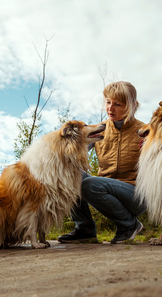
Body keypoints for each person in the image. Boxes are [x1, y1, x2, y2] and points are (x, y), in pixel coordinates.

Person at [58, 81, 146, 244]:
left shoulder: (144, 131)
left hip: (136, 194)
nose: (110, 108)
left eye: (117, 104)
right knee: (70, 173)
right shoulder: (100, 129)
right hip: (104, 188)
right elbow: (70, 154)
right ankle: (85, 229)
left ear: (132, 105)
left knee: (90, 184)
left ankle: (129, 225)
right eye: (108, 102)